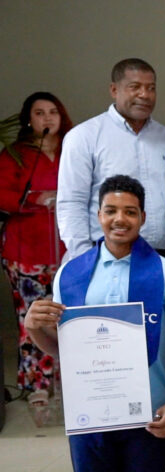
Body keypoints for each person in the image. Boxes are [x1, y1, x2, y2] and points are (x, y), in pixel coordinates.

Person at [25, 175, 165, 472]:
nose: (120, 219)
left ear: (143, 218)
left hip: (149, 416)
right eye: (111, 210)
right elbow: (65, 351)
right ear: (98, 215)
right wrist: (33, 328)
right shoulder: (71, 274)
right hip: (91, 416)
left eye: (130, 211)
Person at [57, 58, 165, 260]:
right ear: (114, 90)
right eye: (135, 87)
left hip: (159, 256)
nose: (144, 95)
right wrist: (84, 257)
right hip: (103, 254)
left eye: (151, 88)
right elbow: (71, 202)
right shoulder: (84, 137)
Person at [1, 92, 71, 402]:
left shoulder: (72, 147)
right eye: (39, 113)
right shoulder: (16, 154)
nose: (47, 118)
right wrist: (34, 199)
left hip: (66, 251)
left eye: (53, 111)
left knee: (65, 317)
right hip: (26, 251)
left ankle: (73, 382)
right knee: (33, 319)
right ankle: (37, 385)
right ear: (29, 119)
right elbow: (2, 194)